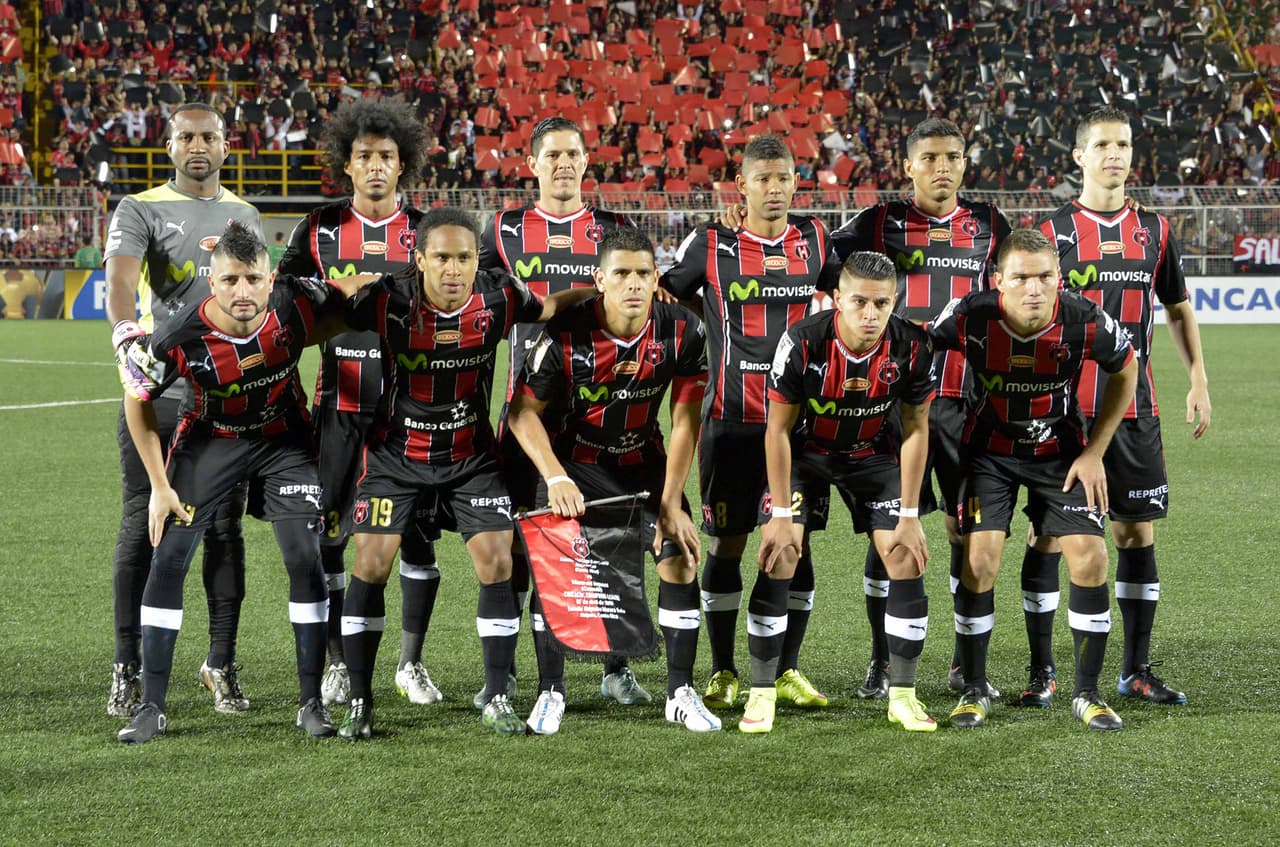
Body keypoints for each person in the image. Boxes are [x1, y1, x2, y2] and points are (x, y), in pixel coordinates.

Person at [337, 207, 595, 739]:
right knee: (370, 561)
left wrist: (597, 293)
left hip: (470, 457)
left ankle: (498, 695)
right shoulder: (388, 300)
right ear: (419, 260)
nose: (453, 270)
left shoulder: (499, 297)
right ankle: (359, 701)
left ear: (477, 261)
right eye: (441, 259)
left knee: (498, 560)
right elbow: (323, 306)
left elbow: (546, 308)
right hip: (395, 457)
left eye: (464, 259)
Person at [115, 221, 375, 743]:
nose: (242, 291)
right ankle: (152, 708)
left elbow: (349, 289)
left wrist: (388, 281)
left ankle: (310, 705)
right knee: (169, 558)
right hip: (212, 440)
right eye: (230, 280)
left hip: (285, 443)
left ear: (270, 276)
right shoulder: (176, 336)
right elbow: (136, 401)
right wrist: (160, 486)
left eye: (253, 279)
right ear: (213, 284)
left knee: (306, 557)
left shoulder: (295, 300)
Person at [1022, 106, 1211, 708]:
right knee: (1052, 537)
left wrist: (1199, 380)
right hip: (1061, 414)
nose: (1115, 154)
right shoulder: (1049, 233)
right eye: (1102, 144)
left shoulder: (1155, 230)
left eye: (1124, 144)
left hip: (1136, 410)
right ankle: (1043, 671)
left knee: (1135, 532)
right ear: (1078, 156)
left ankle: (1135, 670)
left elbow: (1178, 307)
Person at [821, 117, 1011, 701]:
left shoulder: (989, 224)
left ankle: (963, 665)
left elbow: (1022, 279)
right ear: (908, 166)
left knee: (963, 532)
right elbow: (815, 259)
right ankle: (881, 663)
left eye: (952, 156)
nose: (942, 167)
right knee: (889, 535)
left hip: (964, 404)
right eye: (928, 158)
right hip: (891, 407)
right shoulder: (878, 222)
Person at [506, 228, 720, 735]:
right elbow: (520, 414)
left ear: (655, 279)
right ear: (599, 280)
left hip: (640, 462)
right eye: (621, 273)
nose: (633, 283)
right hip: (572, 465)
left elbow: (687, 420)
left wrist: (671, 503)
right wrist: (554, 476)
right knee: (557, 569)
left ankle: (679, 692)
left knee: (679, 558)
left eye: (643, 273)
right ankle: (550, 692)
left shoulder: (683, 330)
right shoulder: (565, 333)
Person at [928, 228, 1139, 732]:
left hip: (1060, 455)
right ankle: (974, 688)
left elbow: (1127, 369)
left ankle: (1086, 694)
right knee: (979, 561)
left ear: (1059, 279)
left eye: (1045, 276)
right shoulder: (968, 314)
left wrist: (1094, 452)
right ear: (999, 280)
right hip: (988, 456)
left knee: (1091, 558)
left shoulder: (1084, 320)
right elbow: (912, 349)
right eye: (1021, 277)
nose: (1035, 288)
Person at [276, 99, 442, 711]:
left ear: (404, 166)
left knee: (417, 539)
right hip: (337, 407)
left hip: (410, 410)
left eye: (388, 158)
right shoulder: (317, 228)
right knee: (333, 538)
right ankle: (340, 664)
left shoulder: (428, 232)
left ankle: (410, 663)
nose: (376, 167)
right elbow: (284, 302)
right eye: (365, 156)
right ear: (346, 164)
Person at [479, 116, 644, 708]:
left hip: (605, 415)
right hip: (529, 411)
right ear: (532, 163)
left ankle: (616, 666)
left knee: (608, 542)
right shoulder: (502, 230)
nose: (564, 164)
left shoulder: (615, 229)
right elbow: (477, 298)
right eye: (552, 156)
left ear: (586, 160)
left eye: (574, 153)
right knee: (526, 544)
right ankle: (517, 674)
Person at [662, 134, 832, 711]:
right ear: (741, 185)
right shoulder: (710, 241)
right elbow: (666, 295)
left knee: (794, 545)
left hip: (799, 427)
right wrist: (701, 342)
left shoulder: (814, 240)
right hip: (729, 423)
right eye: (762, 179)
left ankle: (784, 670)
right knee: (727, 546)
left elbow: (848, 287)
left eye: (783, 177)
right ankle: (725, 669)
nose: (775, 189)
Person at [104, 103, 260, 719]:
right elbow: (120, 280)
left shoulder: (244, 214)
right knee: (141, 525)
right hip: (163, 395)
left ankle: (219, 663)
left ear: (227, 146)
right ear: (168, 145)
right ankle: (127, 665)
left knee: (224, 533)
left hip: (226, 404)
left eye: (210, 137)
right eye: (187, 137)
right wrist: (123, 331)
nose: (199, 146)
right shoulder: (139, 208)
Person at [756, 251, 935, 734]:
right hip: (805, 455)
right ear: (837, 299)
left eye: (881, 303)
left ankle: (902, 694)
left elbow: (917, 429)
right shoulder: (802, 342)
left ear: (894, 300)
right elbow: (776, 431)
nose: (871, 314)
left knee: (903, 554)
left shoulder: (913, 346)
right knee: (783, 550)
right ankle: (761, 691)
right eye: (859, 302)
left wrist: (911, 513)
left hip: (872, 455)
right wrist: (777, 512)